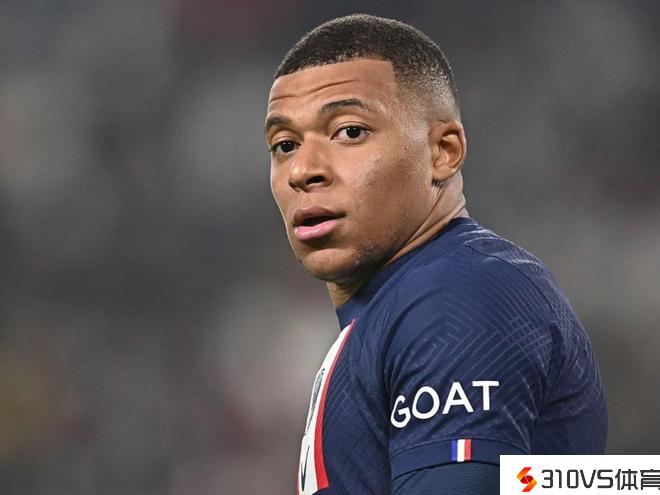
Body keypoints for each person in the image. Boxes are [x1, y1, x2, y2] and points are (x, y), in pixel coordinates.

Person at [265, 14, 607, 494]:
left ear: (443, 151)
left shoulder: (457, 295)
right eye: (284, 145)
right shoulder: (392, 312)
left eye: (350, 132)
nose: (303, 170)